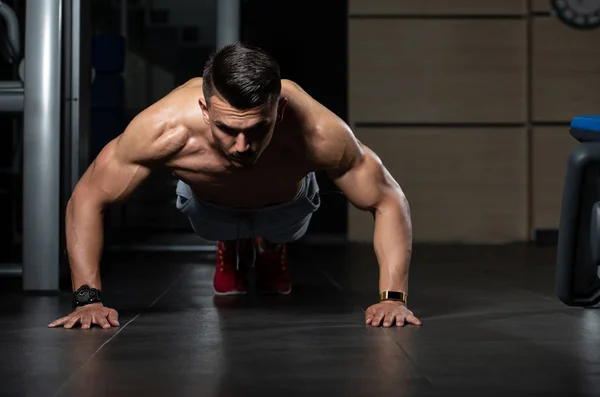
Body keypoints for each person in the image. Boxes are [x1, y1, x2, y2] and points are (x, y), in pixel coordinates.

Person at [48, 42, 421, 330]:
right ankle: (233, 241)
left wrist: (393, 298)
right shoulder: (163, 128)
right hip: (209, 211)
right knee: (222, 227)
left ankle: (272, 247)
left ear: (281, 111)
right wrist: (87, 300)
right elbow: (88, 197)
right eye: (227, 129)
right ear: (205, 109)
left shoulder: (320, 132)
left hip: (285, 209)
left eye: (258, 128)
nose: (242, 147)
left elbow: (388, 200)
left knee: (279, 231)